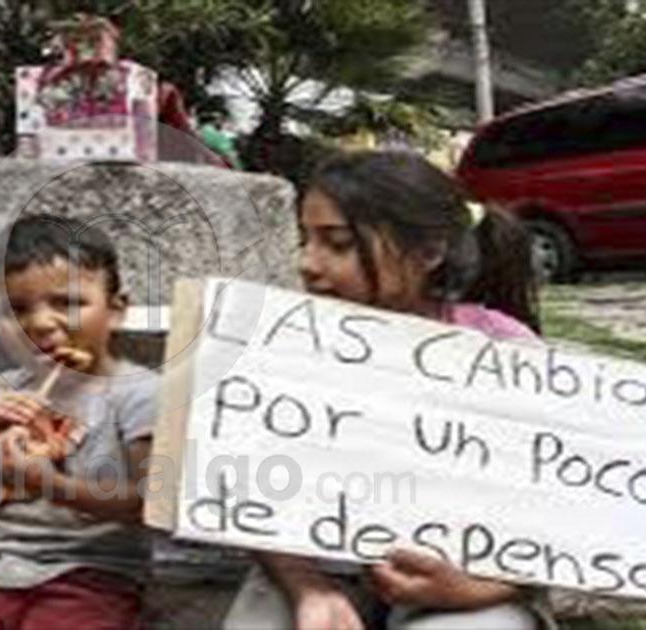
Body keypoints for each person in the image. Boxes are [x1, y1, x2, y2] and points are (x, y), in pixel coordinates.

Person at [224, 150, 551, 630]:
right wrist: (306, 588)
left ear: (428, 253)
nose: (306, 263)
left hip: (466, 574)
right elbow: (247, 489)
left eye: (338, 244)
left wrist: (482, 588)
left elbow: (562, 515)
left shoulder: (504, 351)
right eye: (304, 239)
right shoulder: (282, 345)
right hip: (313, 568)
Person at [0, 214, 158, 630]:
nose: (40, 324)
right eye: (17, 310)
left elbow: (148, 505)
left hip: (93, 575)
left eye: (67, 303)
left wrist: (49, 485)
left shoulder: (138, 394)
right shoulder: (5, 388)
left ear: (116, 311)